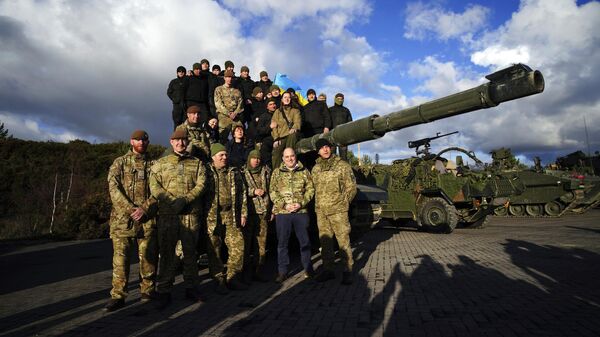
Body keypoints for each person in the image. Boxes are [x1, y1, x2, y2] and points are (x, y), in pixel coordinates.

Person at [149, 129, 207, 308]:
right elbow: (154, 187)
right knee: (167, 254)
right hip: (168, 216)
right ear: (171, 142)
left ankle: (191, 288)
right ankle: (164, 290)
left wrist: (186, 199)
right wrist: (171, 200)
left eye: (184, 140)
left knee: (190, 254)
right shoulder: (160, 163)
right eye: (177, 140)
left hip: (190, 216)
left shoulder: (197, 163)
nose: (181, 143)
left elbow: (202, 184)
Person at [104, 130, 158, 312]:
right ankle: (118, 295)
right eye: (137, 139)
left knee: (148, 258)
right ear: (131, 141)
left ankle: (148, 291)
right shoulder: (119, 163)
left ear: (148, 142)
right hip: (122, 221)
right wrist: (130, 209)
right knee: (121, 260)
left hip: (147, 219)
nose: (141, 142)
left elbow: (160, 190)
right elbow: (113, 188)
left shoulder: (154, 165)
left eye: (144, 139)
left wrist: (145, 208)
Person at [311, 139, 357, 285]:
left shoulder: (342, 165)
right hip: (321, 212)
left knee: (343, 241)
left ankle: (348, 270)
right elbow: (313, 189)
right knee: (325, 242)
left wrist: (344, 203)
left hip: (338, 211)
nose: (325, 150)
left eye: (327, 147)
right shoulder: (316, 168)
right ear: (318, 151)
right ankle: (328, 270)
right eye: (322, 148)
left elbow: (351, 187)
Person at [205, 143, 248, 292]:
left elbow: (242, 192)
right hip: (213, 217)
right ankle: (219, 280)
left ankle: (232, 278)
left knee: (238, 245)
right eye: (220, 155)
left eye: (225, 155)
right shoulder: (206, 171)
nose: (224, 157)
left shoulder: (234, 171)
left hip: (231, 215)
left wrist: (243, 213)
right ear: (213, 157)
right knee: (214, 249)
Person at [269, 147, 315, 283]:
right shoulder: (277, 173)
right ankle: (282, 271)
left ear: (295, 156)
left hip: (300, 212)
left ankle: (308, 268)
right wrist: (284, 205)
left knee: (305, 242)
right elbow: (272, 191)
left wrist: (301, 203)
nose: (290, 159)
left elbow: (310, 190)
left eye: (292, 156)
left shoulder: (304, 171)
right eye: (287, 156)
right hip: (283, 213)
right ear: (283, 158)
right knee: (282, 243)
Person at [242, 149, 272, 282]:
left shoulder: (266, 171)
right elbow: (239, 189)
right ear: (249, 159)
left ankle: (259, 269)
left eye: (258, 158)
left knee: (261, 243)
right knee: (246, 243)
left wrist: (272, 210)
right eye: (254, 158)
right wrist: (253, 191)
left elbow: (272, 189)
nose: (256, 160)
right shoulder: (243, 172)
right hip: (249, 212)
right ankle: (245, 271)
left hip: (263, 212)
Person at [271, 91, 301, 168]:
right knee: (276, 153)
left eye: (288, 97)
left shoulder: (295, 110)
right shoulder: (277, 112)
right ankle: (276, 173)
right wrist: (276, 138)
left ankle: (290, 166)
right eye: (285, 97)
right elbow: (274, 126)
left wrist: (294, 128)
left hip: (291, 136)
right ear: (282, 99)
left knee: (292, 139)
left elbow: (298, 122)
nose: (287, 99)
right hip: (281, 137)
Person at [214, 69, 243, 144]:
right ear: (224, 78)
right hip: (223, 116)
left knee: (240, 134)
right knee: (223, 137)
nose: (229, 79)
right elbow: (218, 104)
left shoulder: (237, 91)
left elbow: (240, 104)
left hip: (235, 117)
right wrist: (228, 113)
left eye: (231, 77)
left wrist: (235, 113)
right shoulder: (219, 89)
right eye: (228, 77)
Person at [329, 93, 353, 161]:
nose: (340, 100)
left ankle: (344, 171)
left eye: (341, 99)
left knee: (343, 157)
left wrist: (348, 134)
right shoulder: (330, 110)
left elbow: (350, 123)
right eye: (338, 99)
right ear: (335, 99)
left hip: (343, 136)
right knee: (332, 156)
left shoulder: (346, 110)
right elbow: (327, 121)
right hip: (332, 135)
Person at [256, 97, 277, 168]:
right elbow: (259, 131)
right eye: (270, 104)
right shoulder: (263, 116)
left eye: (274, 104)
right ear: (267, 107)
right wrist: (270, 127)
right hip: (268, 138)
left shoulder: (279, 114)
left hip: (279, 137)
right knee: (265, 149)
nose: (273, 106)